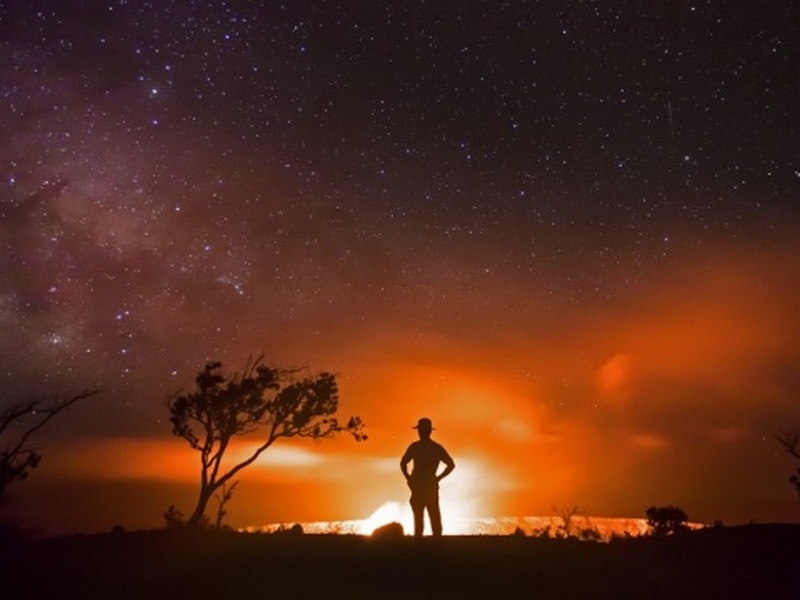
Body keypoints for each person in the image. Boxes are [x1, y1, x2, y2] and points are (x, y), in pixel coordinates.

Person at [400, 417, 455, 537]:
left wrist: (409, 478)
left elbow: (403, 463)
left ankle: (423, 545)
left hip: (422, 486)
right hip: (427, 485)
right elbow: (451, 465)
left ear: (426, 431)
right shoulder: (435, 448)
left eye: (421, 430)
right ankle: (433, 545)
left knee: (423, 518)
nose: (420, 433)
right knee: (432, 516)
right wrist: (438, 478)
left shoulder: (416, 447)